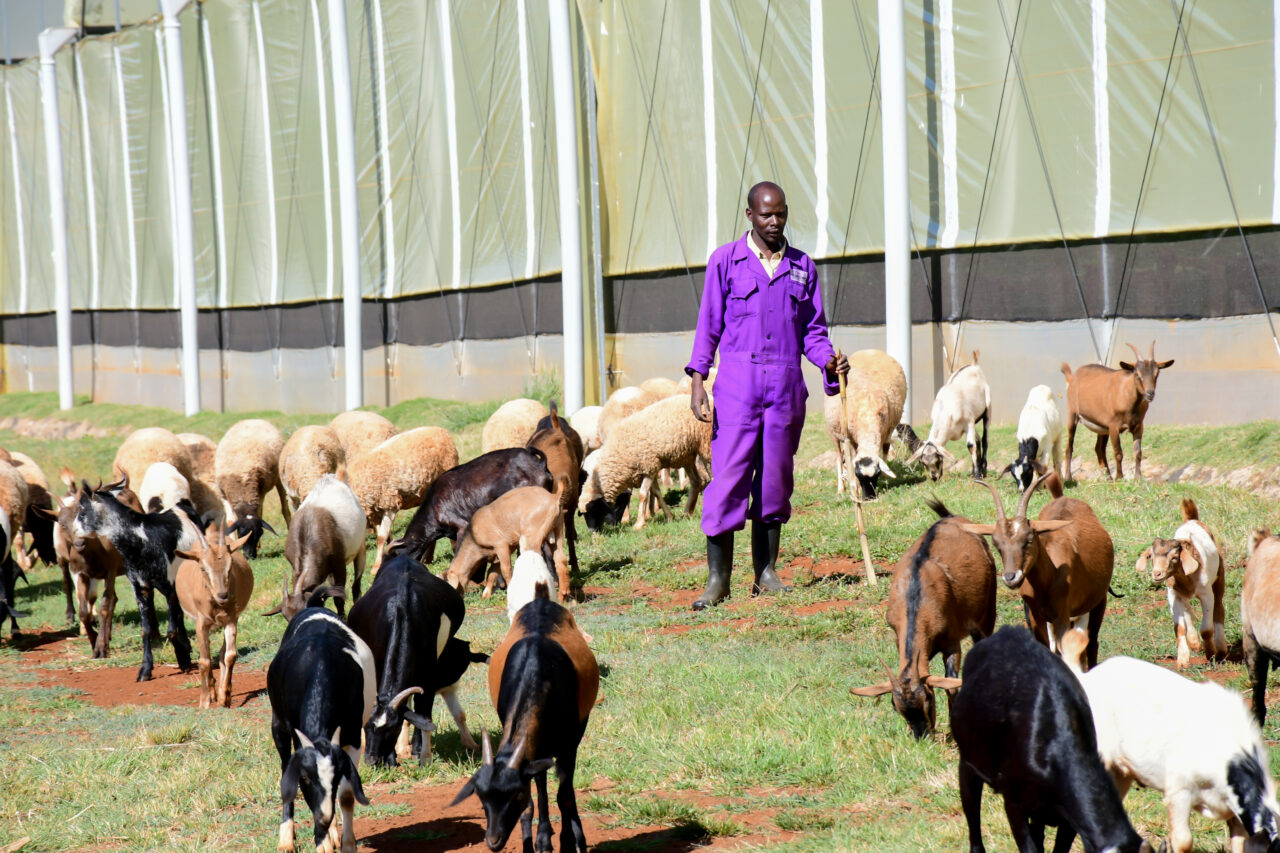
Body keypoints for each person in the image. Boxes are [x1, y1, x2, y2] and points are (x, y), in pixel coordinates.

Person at [685, 181, 849, 611]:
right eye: (766, 215)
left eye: (780, 214)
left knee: (775, 480)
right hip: (738, 386)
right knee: (728, 480)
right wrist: (698, 378)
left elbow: (812, 332)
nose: (774, 222)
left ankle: (766, 573)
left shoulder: (802, 268)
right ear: (749, 215)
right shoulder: (726, 261)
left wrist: (828, 361)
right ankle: (718, 580)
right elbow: (709, 324)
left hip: (785, 386)